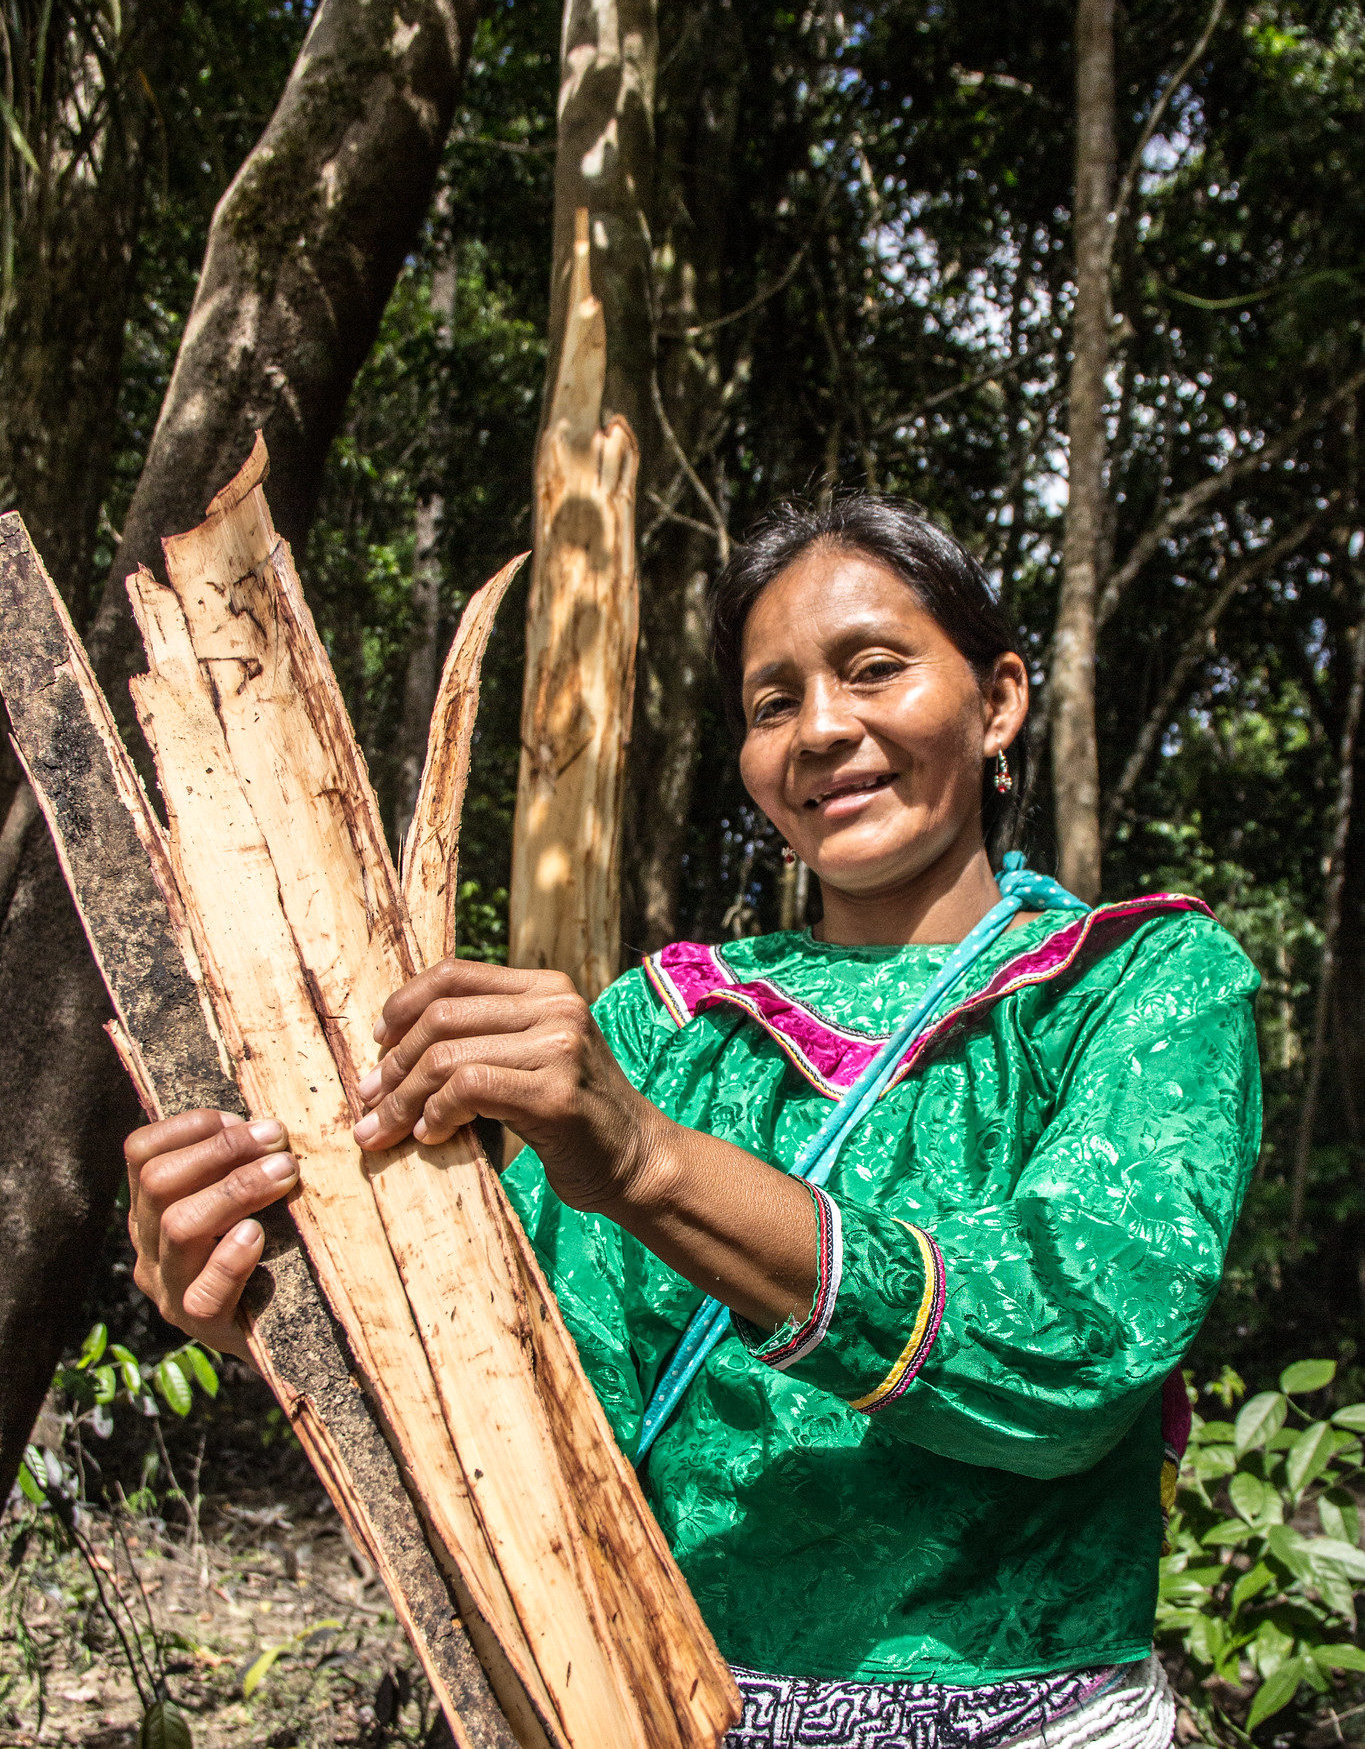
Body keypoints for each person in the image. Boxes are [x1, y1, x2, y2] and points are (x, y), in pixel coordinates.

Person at [124, 494, 1261, 1749]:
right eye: (773, 704)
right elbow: (525, 1393)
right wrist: (262, 1312)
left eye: (874, 669)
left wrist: (651, 1163)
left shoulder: (1140, 982)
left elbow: (1068, 1351)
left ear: (997, 702)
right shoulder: (667, 1026)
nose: (823, 729)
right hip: (655, 1704)